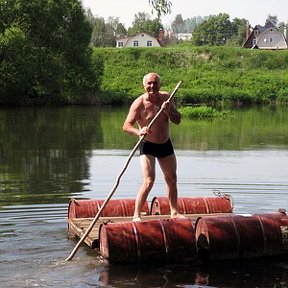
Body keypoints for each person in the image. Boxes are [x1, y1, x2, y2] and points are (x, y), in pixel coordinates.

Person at [123, 72, 184, 221]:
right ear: (144, 85)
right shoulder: (139, 103)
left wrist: (168, 110)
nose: (152, 86)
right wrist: (139, 131)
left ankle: (174, 212)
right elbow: (126, 126)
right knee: (149, 180)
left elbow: (177, 120)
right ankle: (136, 214)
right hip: (147, 145)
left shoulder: (166, 98)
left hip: (165, 144)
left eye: (155, 83)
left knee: (172, 179)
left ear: (160, 85)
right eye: (149, 83)